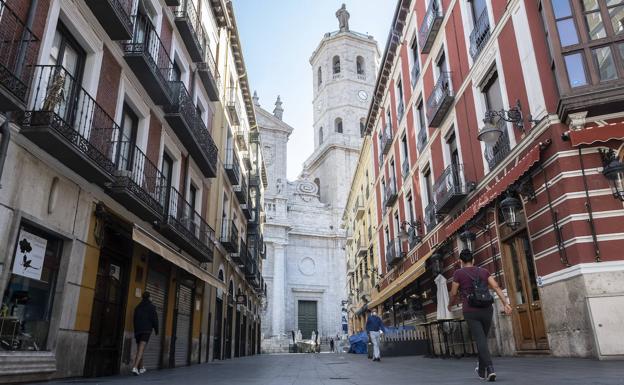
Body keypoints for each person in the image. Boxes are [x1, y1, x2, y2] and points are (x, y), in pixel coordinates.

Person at [449, 250, 512, 382]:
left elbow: (454, 293)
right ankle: (482, 370)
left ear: (461, 261)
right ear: (473, 260)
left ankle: (490, 368)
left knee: (480, 340)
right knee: (482, 339)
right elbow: (495, 286)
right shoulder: (483, 271)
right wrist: (505, 303)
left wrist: (450, 305)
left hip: (470, 311)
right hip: (487, 309)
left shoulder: (458, 273)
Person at [132, 291, 159, 375]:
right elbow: (154, 319)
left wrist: (135, 329)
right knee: (141, 349)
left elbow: (134, 319)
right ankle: (135, 367)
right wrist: (156, 329)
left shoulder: (137, 307)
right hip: (146, 330)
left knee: (140, 349)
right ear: (149, 297)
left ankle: (141, 367)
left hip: (138, 331)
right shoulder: (151, 307)